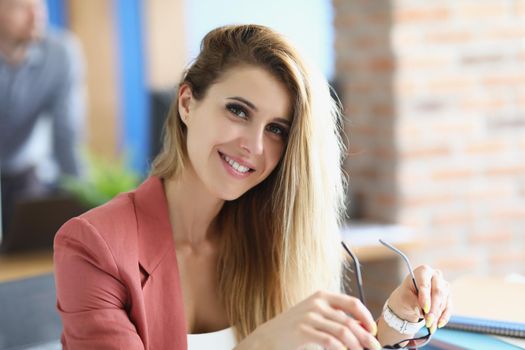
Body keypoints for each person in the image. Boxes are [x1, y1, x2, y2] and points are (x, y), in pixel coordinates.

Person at [54, 24, 451, 349]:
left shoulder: (270, 231)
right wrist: (261, 345)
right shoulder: (95, 246)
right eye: (238, 110)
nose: (254, 147)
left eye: (277, 129)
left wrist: (400, 316)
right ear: (187, 103)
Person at [0, 0, 84, 236]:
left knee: (33, 249)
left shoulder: (61, 53)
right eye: (20, 6)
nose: (35, 14)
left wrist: (81, 201)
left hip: (26, 169)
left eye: (38, 4)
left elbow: (67, 133)